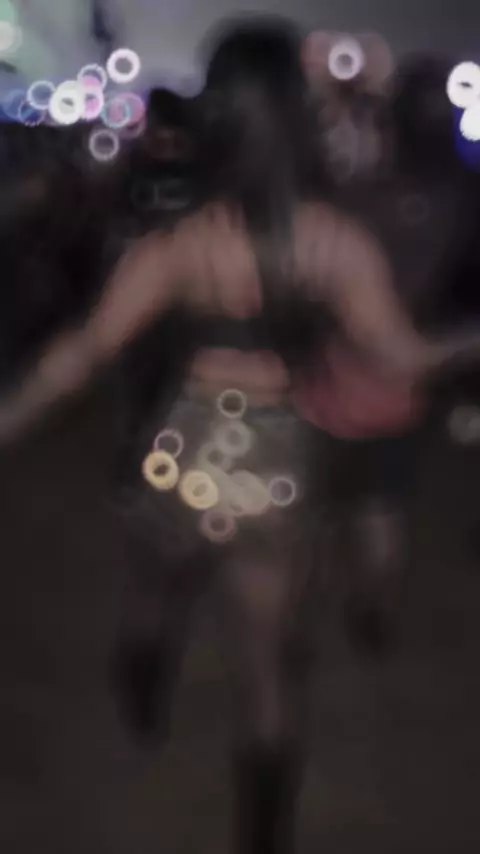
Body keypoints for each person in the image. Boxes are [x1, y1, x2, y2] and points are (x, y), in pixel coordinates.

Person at [1, 18, 480, 854]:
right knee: (267, 666)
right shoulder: (333, 241)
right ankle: (263, 832)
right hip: (276, 457)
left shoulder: (179, 241)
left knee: (157, 580)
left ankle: (143, 685)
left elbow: (83, 353)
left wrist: (7, 420)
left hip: (184, 442)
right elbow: (404, 356)